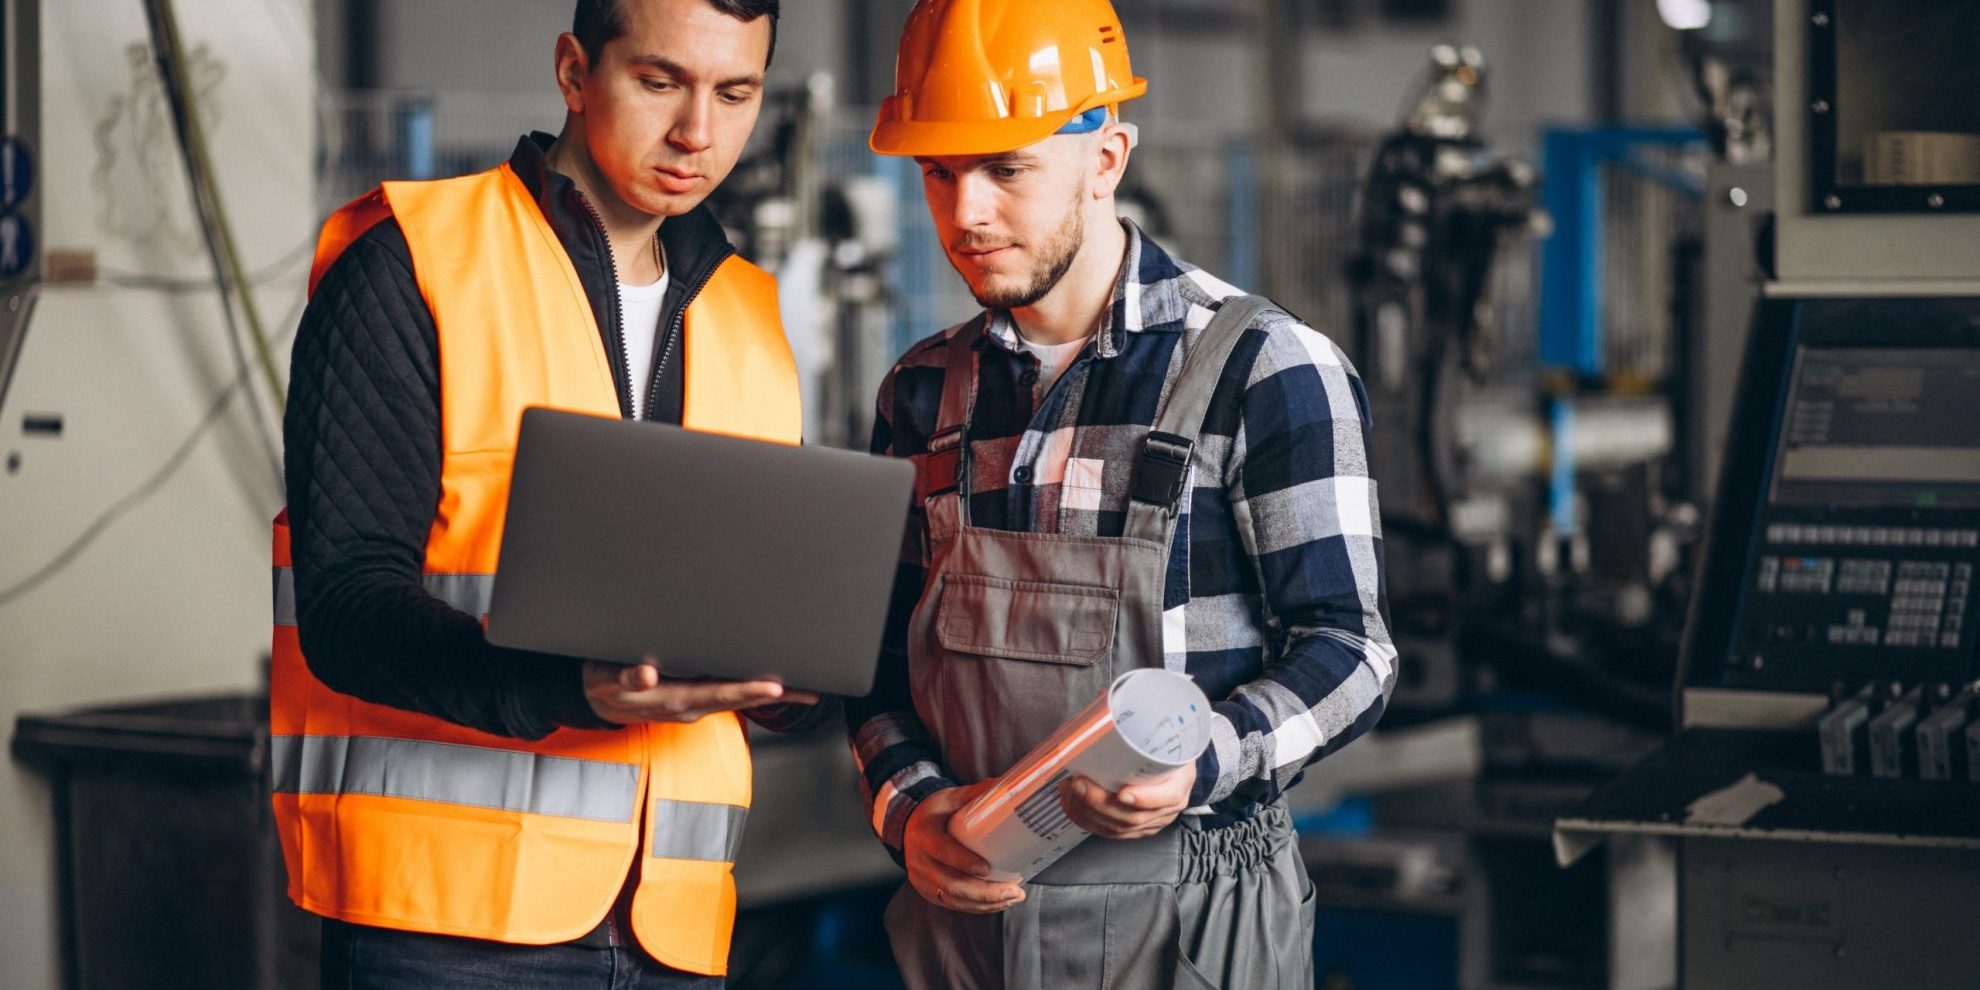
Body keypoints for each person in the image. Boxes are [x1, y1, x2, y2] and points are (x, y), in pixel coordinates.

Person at [846, 1, 1398, 987]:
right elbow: (881, 666)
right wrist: (909, 807)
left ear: (1106, 158)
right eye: (938, 171)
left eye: (1006, 167)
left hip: (1192, 928)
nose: (964, 212)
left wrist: (1210, 759)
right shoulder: (925, 391)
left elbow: (1350, 651)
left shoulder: (1265, 370)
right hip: (968, 931)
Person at [274, 1, 814, 986]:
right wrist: (567, 690)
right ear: (573, 71)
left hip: (671, 923)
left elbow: (749, 605)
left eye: (735, 93)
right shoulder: (413, 264)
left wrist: (804, 682)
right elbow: (346, 602)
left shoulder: (751, 316)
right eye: (659, 83)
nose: (698, 132)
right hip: (443, 925)